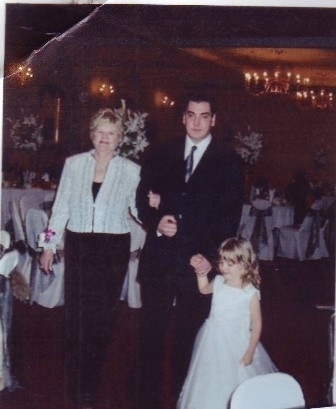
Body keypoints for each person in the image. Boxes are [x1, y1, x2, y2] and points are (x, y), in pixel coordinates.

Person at [134, 90, 244, 408]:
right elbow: (143, 198)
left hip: (197, 264)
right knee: (151, 330)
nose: (197, 122)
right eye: (191, 115)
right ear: (183, 117)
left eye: (204, 116)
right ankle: (146, 397)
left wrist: (209, 258)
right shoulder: (161, 153)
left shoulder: (228, 161)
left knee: (188, 334)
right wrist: (156, 220)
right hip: (159, 256)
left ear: (213, 119)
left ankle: (185, 394)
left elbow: (229, 218)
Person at [39, 108, 140, 409]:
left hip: (113, 248)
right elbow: (60, 208)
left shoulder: (131, 170)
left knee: (103, 319)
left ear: (120, 138)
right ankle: (77, 382)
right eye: (100, 131)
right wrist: (48, 245)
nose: (105, 138)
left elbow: (138, 210)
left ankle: (90, 384)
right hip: (81, 244)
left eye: (111, 133)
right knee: (77, 318)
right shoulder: (74, 165)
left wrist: (161, 218)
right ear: (92, 134)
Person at [177, 237, 278, 409]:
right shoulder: (218, 282)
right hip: (212, 339)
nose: (223, 267)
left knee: (237, 377)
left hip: (237, 343)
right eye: (222, 262)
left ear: (244, 264)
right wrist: (200, 272)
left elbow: (257, 325)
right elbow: (203, 289)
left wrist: (250, 351)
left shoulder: (249, 293)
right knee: (210, 377)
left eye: (230, 263)